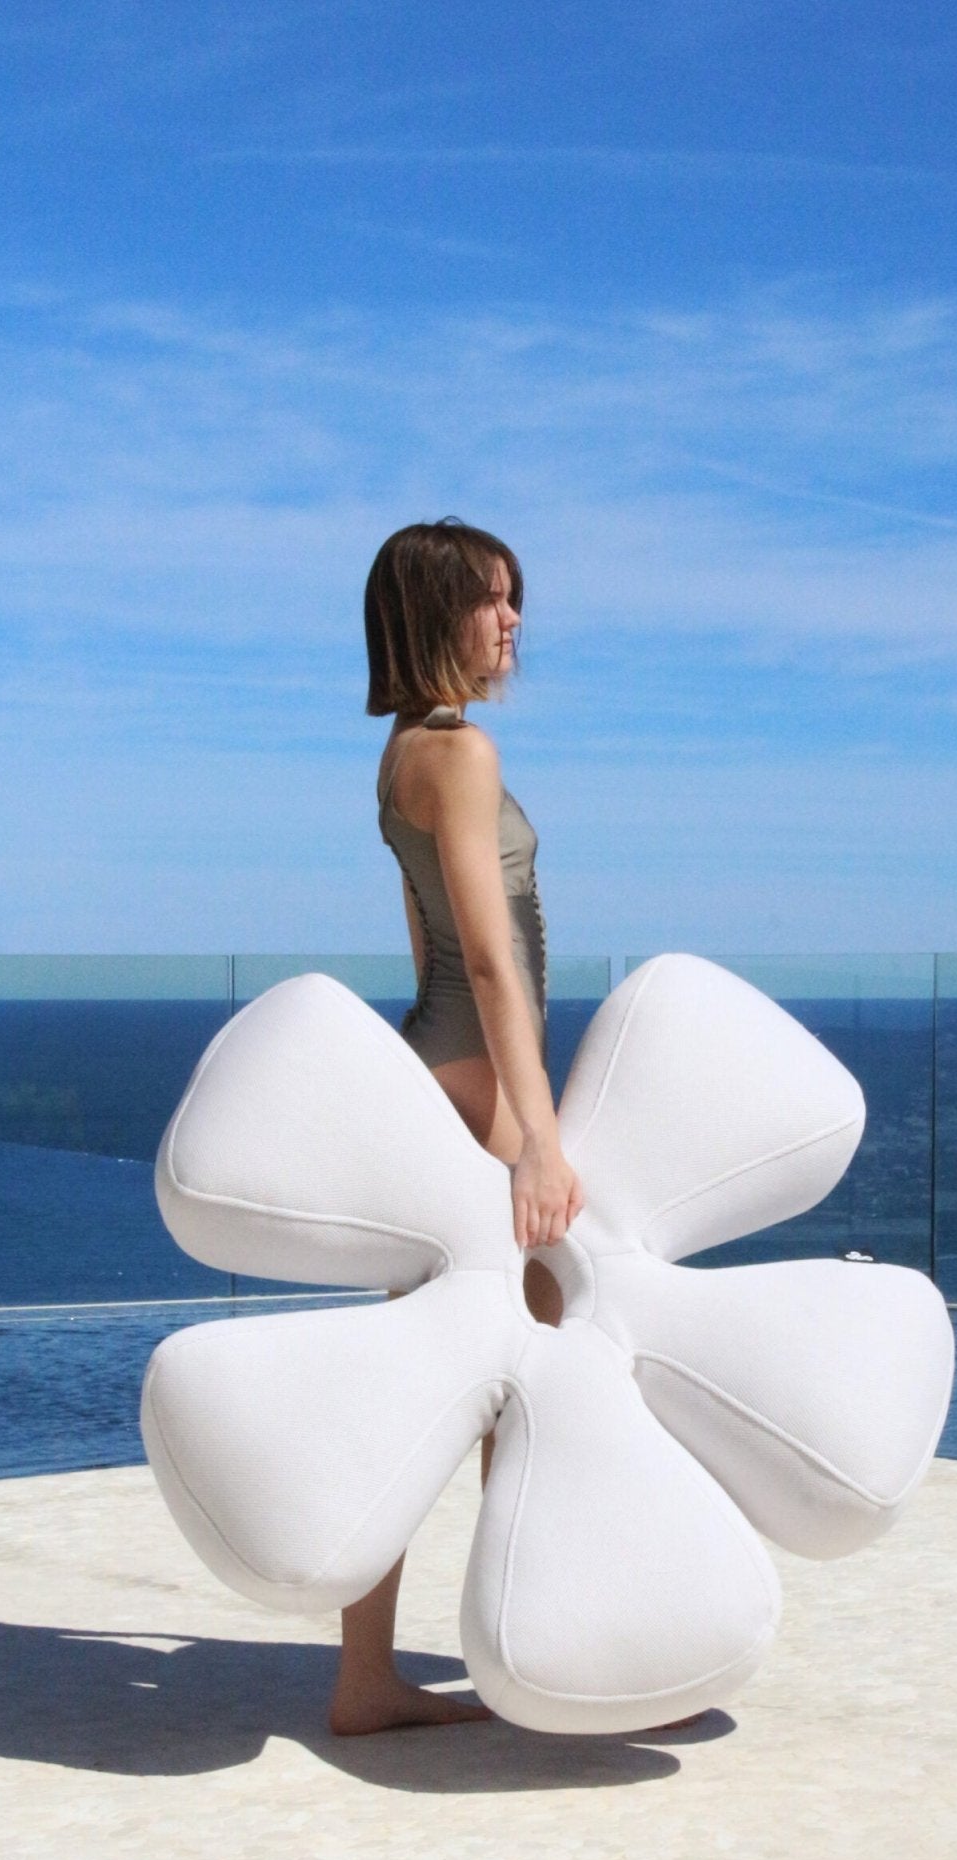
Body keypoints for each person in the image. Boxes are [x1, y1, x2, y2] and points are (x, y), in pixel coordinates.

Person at [327, 518, 584, 1737]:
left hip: (437, 1071)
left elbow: (424, 942)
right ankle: (528, 1653)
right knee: (519, 1387)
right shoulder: (461, 753)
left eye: (514, 597)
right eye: (491, 598)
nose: (513, 618)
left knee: (427, 1386)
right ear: (437, 615)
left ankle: (370, 1673)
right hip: (480, 1086)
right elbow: (486, 957)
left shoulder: (402, 756)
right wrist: (536, 1133)